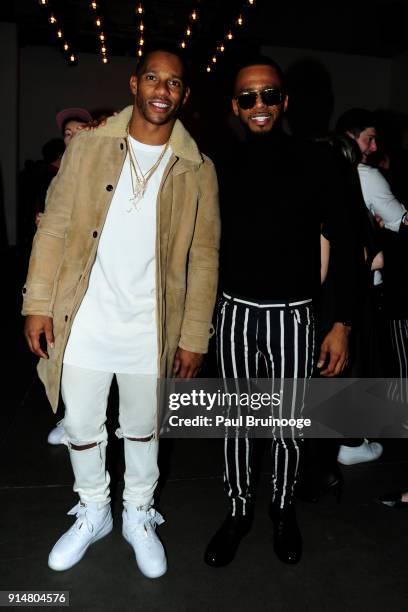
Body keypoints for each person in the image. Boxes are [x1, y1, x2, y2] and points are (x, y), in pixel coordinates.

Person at [22, 45, 220, 577]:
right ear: (134, 85)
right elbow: (55, 228)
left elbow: (204, 257)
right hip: (85, 316)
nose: (162, 90)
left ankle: (136, 513)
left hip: (150, 326)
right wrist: (37, 303)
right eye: (152, 78)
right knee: (82, 423)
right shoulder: (88, 150)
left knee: (143, 428)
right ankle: (93, 511)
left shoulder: (197, 167)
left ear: (183, 94)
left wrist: (194, 336)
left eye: (174, 82)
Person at [204, 56, 357, 568]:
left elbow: (348, 241)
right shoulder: (217, 163)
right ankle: (238, 511)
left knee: (290, 424)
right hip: (232, 315)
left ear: (285, 101)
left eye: (269, 94)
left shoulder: (319, 161)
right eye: (248, 97)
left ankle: (283, 510)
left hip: (293, 316)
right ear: (234, 105)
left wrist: (340, 323)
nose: (260, 105)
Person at [335, 108, 408, 465]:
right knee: (359, 360)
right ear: (351, 137)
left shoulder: (328, 172)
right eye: (369, 138)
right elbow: (401, 223)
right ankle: (350, 443)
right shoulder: (367, 175)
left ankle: (340, 440)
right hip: (363, 283)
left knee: (341, 360)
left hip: (331, 284)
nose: (375, 146)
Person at [43, 108, 93, 445]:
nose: (72, 137)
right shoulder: (57, 176)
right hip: (60, 277)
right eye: (67, 133)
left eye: (79, 130)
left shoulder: (96, 172)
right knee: (62, 350)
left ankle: (80, 419)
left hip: (88, 279)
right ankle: (73, 418)